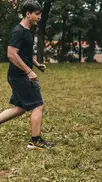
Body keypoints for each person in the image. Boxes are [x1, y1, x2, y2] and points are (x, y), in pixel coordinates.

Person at [0, 0, 53, 150]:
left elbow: (25, 54)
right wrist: (29, 71)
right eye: (37, 14)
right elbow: (11, 54)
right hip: (20, 76)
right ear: (28, 14)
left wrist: (36, 65)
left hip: (17, 76)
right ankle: (35, 141)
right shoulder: (18, 31)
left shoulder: (27, 31)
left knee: (19, 108)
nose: (39, 17)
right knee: (38, 105)